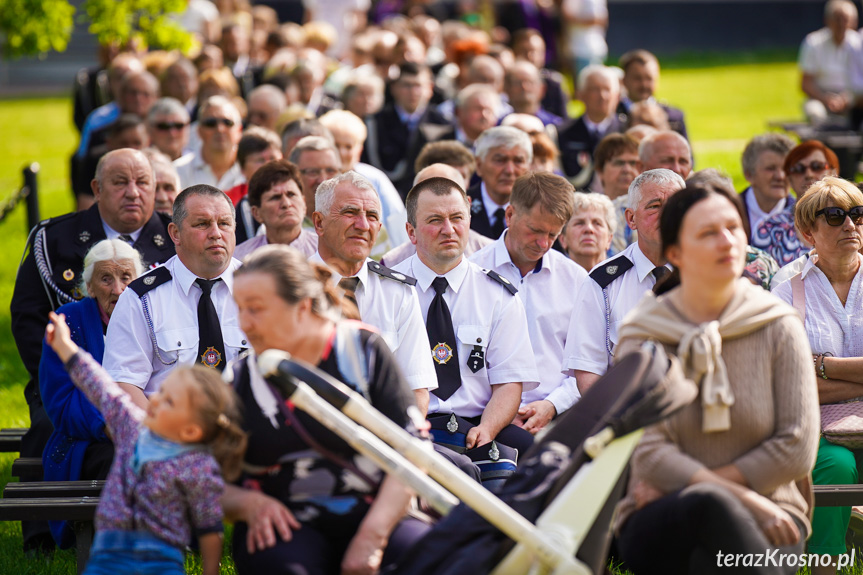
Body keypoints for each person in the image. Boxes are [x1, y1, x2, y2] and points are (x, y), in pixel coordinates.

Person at [613, 184, 819, 575]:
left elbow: (796, 447)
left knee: (712, 557)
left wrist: (725, 492)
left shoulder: (778, 326)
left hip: (772, 515)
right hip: (662, 515)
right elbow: (649, 453)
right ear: (675, 253)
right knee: (708, 509)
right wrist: (739, 495)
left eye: (733, 228)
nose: (727, 241)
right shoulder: (643, 334)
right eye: (709, 233)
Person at [224, 245, 428, 574]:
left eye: (256, 309)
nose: (244, 324)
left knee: (418, 560)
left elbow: (413, 450)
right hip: (286, 521)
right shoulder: (241, 377)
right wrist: (246, 503)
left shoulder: (363, 351)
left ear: (302, 307)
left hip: (381, 510)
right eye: (240, 309)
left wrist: (371, 539)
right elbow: (201, 473)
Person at [10, 148, 175, 553]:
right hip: (69, 382)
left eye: (143, 183)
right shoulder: (55, 238)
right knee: (49, 425)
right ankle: (42, 535)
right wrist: (60, 373)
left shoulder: (177, 239)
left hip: (153, 384)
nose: (133, 192)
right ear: (97, 189)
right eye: (120, 183)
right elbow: (30, 318)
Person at [44, 311, 246, 575]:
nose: (157, 400)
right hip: (107, 556)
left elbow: (210, 527)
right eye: (162, 392)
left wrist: (211, 571)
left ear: (191, 430)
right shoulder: (132, 427)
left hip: (160, 562)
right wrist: (65, 347)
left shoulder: (197, 467)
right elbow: (102, 388)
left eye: (170, 401)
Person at [393, 177, 539, 455]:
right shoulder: (388, 291)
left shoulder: (499, 294)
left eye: (457, 218)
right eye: (435, 220)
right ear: (411, 232)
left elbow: (509, 381)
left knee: (545, 460)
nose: (448, 230)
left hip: (476, 423)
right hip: (410, 424)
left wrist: (488, 428)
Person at [772, 176, 863, 575]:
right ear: (808, 231)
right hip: (815, 427)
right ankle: (827, 567)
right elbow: (789, 383)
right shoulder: (787, 292)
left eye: (858, 214)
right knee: (836, 467)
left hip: (826, 405)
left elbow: (808, 372)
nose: (851, 225)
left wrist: (822, 365)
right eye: (835, 216)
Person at [39, 239, 144, 548]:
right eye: (106, 278)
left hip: (146, 428)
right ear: (89, 285)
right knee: (117, 458)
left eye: (127, 277)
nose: (118, 288)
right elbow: (61, 402)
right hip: (86, 440)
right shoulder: (68, 320)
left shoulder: (151, 317)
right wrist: (108, 425)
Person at [103, 185, 246, 404]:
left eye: (224, 223)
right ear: (175, 234)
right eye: (202, 224)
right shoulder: (142, 298)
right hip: (167, 430)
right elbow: (123, 384)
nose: (216, 233)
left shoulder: (260, 288)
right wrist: (160, 436)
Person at [310, 171, 438, 411]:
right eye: (350, 212)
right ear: (319, 222)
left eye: (371, 216)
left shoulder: (397, 291)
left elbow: (416, 390)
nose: (362, 225)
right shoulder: (292, 287)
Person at [470, 172, 586, 434]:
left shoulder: (576, 280)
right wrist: (498, 413)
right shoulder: (471, 272)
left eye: (553, 235)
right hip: (481, 418)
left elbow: (587, 361)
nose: (543, 243)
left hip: (557, 417)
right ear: (509, 215)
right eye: (534, 230)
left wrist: (552, 404)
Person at [562, 168, 685, 394]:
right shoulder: (603, 283)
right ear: (631, 219)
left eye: (674, 207)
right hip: (623, 409)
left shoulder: (701, 273)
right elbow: (587, 370)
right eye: (655, 206)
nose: (667, 216)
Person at [318, 109, 410, 245]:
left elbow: (398, 225)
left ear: (359, 150)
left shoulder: (375, 179)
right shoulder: (314, 179)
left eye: (348, 147)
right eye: (336, 145)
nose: (341, 152)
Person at [362, 62, 449, 196]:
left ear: (430, 88)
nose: (413, 92)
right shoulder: (374, 123)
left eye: (418, 85)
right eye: (406, 85)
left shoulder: (443, 125)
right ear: (393, 88)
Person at [753, 140, 839, 267]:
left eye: (817, 167)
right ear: (789, 179)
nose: (808, 174)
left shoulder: (853, 220)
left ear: (833, 172)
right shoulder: (770, 229)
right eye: (798, 169)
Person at [234, 160, 318, 260]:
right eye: (275, 197)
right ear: (256, 213)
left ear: (304, 203)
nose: (286, 204)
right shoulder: (240, 259)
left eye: (291, 194)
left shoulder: (326, 250)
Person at [558, 65, 623, 188]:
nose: (602, 96)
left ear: (617, 96)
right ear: (580, 95)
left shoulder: (627, 132)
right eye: (595, 89)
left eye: (607, 90)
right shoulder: (562, 133)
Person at [799, 0, 860, 122]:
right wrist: (825, 99)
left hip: (853, 98)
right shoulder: (814, 42)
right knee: (815, 112)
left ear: (854, 22)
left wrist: (846, 99)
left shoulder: (859, 44)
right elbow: (806, 83)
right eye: (837, 19)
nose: (842, 24)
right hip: (819, 98)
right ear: (827, 20)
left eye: (846, 19)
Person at [467, 126, 533, 239]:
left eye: (518, 161)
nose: (509, 170)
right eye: (500, 160)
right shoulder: (460, 208)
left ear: (529, 167)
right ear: (478, 165)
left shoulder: (537, 210)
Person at [174, 96, 245, 191]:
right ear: (199, 131)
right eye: (211, 123)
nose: (220, 129)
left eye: (227, 122)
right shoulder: (177, 172)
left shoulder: (251, 171)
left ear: (239, 130)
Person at [617, 49, 688, 140]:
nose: (644, 84)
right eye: (637, 78)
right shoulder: (613, 118)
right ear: (624, 80)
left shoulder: (674, 118)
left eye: (649, 78)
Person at [739, 133, 796, 242]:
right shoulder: (732, 211)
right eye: (771, 168)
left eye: (786, 169)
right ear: (749, 175)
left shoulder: (802, 217)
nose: (780, 176)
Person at [593, 133, 641, 253]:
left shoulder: (648, 213)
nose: (627, 170)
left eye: (633, 163)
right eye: (619, 163)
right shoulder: (588, 210)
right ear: (600, 171)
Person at [559, 191, 616, 271]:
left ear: (609, 239)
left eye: (597, 223)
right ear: (563, 239)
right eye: (579, 223)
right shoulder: (552, 279)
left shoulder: (623, 279)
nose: (589, 229)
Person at [502, 61, 562, 126]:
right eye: (518, 83)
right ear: (507, 88)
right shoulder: (499, 125)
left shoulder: (556, 125)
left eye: (530, 82)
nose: (524, 87)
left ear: (542, 88)